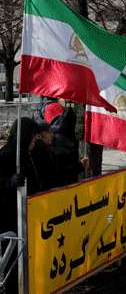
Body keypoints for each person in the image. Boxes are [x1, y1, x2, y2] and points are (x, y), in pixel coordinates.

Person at [0, 118, 58, 294]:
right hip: (9, 216)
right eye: (33, 137)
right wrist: (7, 183)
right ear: (25, 136)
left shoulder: (28, 152)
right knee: (12, 259)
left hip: (29, 215)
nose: (36, 140)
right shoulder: (7, 154)